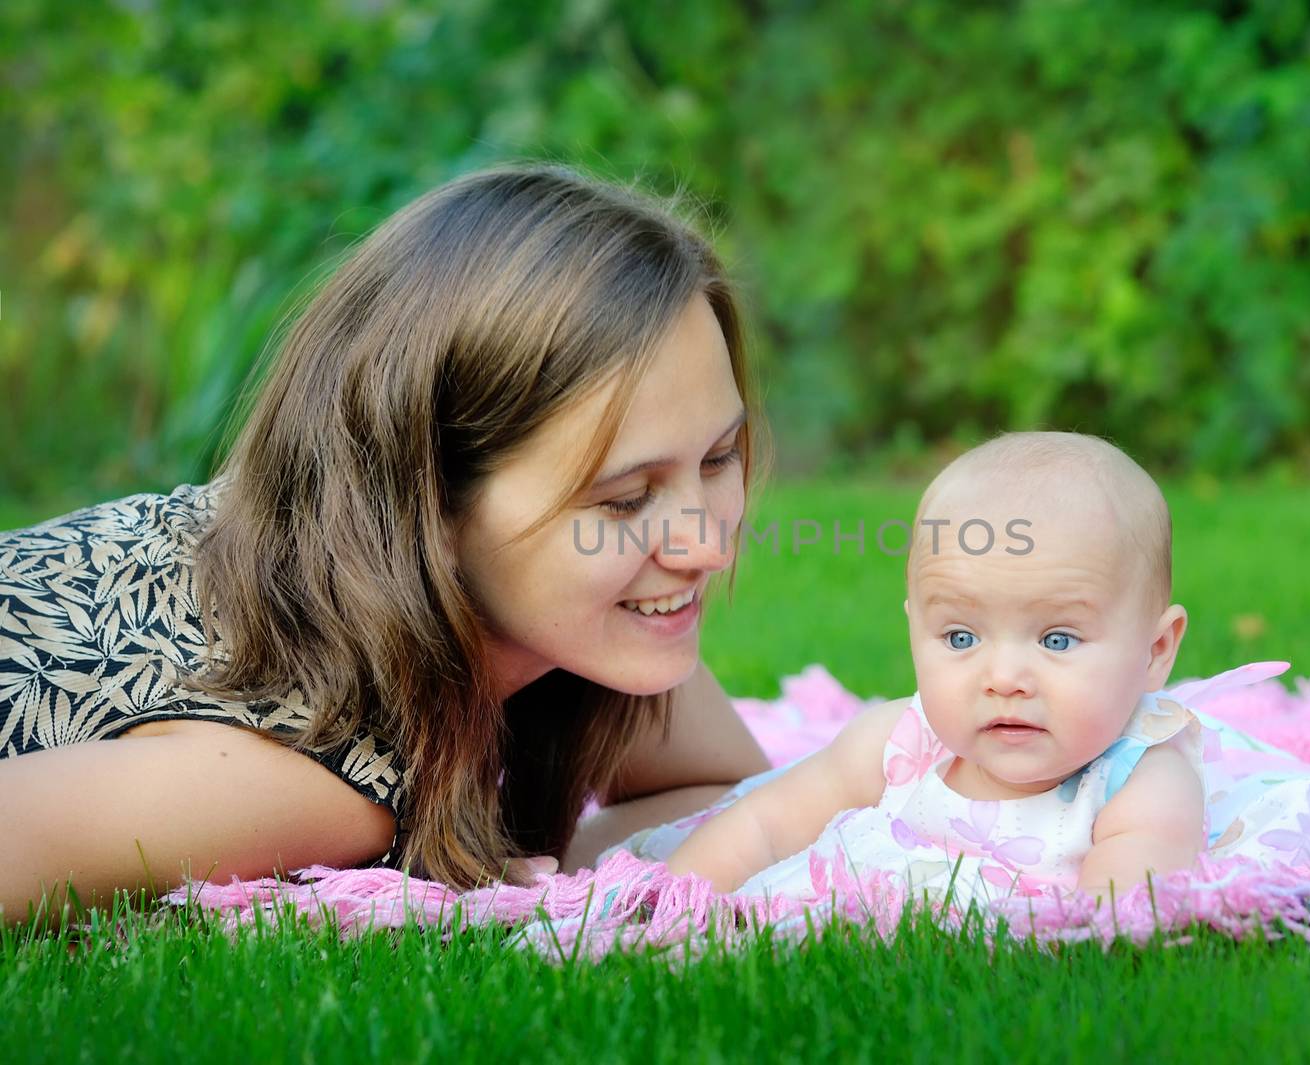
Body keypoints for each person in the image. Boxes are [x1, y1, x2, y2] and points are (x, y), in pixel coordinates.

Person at [0, 164, 772, 926]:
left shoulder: (578, 619)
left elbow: (727, 790)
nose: (706, 545)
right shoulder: (303, 780)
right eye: (624, 500)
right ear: (430, 502)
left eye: (717, 458)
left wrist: (550, 864)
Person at [667, 431, 1206, 900]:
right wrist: (673, 892)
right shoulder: (902, 745)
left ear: (1154, 651)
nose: (1003, 680)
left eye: (1058, 640)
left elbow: (1122, 917)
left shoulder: (1140, 781)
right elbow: (767, 823)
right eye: (961, 636)